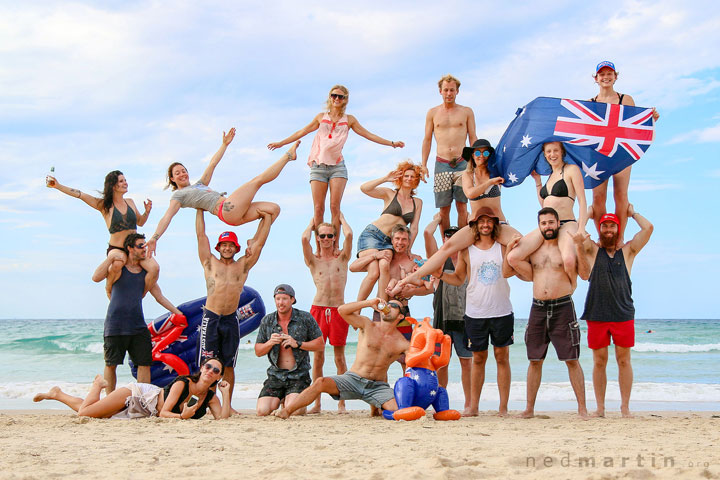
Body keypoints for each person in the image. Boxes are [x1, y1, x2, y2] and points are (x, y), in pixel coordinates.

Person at [267, 85, 404, 231]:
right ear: (330, 97)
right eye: (334, 95)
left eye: (340, 97)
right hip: (318, 166)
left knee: (334, 207)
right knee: (318, 208)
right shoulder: (321, 117)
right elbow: (303, 131)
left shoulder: (349, 120)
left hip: (337, 167)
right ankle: (320, 247)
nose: (336, 99)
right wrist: (281, 143)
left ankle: (335, 246)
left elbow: (368, 134)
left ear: (345, 100)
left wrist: (392, 144)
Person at [147, 128, 298, 255]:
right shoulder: (178, 195)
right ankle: (288, 156)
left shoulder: (200, 184)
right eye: (177, 173)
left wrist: (224, 145)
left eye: (183, 171)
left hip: (234, 215)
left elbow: (213, 164)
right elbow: (167, 217)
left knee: (274, 209)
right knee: (257, 181)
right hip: (226, 209)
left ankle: (254, 241)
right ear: (172, 179)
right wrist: (155, 238)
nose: (182, 174)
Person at [504, 207, 588, 419]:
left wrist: (579, 245)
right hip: (538, 307)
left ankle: (582, 409)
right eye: (544, 223)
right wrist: (509, 251)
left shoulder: (566, 248)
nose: (548, 227)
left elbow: (585, 274)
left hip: (563, 306)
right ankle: (529, 409)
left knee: (571, 359)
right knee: (534, 359)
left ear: (558, 223)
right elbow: (511, 269)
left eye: (551, 222)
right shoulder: (533, 251)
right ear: (539, 226)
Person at [573, 204, 653, 417]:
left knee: (624, 360)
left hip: (622, 314)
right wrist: (588, 214)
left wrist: (633, 213)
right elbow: (577, 233)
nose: (608, 230)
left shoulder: (628, 252)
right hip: (597, 314)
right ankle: (600, 408)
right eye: (605, 226)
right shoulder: (592, 250)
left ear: (618, 229)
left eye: (612, 226)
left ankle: (625, 407)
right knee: (599, 362)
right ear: (600, 229)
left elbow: (648, 228)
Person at [439, 207, 519, 416]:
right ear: (474, 225)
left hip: (502, 310)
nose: (485, 225)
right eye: (481, 221)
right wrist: (439, 274)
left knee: (502, 357)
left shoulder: (502, 247)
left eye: (489, 221)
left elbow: (512, 270)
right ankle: (473, 407)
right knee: (478, 359)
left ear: (494, 224)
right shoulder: (466, 250)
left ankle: (503, 408)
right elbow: (458, 278)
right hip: (475, 313)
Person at [276, 298, 410, 419]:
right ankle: (287, 411)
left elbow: (418, 359)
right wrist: (369, 303)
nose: (387, 306)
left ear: (400, 315)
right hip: (353, 379)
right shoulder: (367, 324)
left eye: (393, 305)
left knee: (397, 410)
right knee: (320, 382)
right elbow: (342, 310)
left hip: (377, 387)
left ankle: (375, 408)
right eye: (387, 304)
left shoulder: (402, 343)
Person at [195, 207, 273, 412]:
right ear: (219, 247)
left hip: (230, 319)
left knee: (228, 364)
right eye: (224, 245)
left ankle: (227, 406)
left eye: (231, 245)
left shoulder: (242, 266)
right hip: (211, 318)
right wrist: (199, 209)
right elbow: (201, 236)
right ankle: (206, 403)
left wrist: (265, 220)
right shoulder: (209, 262)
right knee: (207, 365)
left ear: (236, 248)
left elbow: (260, 244)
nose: (227, 248)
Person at [46, 170, 158, 295]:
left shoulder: (130, 202)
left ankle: (140, 296)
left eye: (125, 180)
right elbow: (80, 194)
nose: (125, 183)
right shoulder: (104, 205)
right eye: (121, 181)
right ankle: (108, 288)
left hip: (135, 249)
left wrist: (147, 211)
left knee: (154, 268)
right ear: (113, 186)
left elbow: (140, 222)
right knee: (118, 262)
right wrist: (58, 186)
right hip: (117, 248)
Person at [101, 233, 183, 394]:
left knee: (144, 363)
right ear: (130, 248)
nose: (144, 248)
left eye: (145, 245)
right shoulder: (118, 269)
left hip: (138, 326)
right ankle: (109, 400)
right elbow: (106, 287)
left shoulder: (146, 274)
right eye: (140, 245)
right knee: (111, 364)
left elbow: (159, 297)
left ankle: (143, 400)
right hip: (114, 325)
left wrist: (178, 313)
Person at [589, 61, 660, 243]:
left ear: (615, 77)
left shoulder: (625, 99)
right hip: (598, 154)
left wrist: (650, 120)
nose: (606, 77)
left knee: (620, 195)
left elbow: (635, 126)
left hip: (621, 152)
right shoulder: (589, 103)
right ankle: (603, 238)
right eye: (602, 74)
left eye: (609, 74)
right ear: (596, 78)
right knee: (598, 197)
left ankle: (619, 239)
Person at [33, 357, 231, 420]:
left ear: (219, 376)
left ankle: (57, 394)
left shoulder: (210, 396)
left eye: (216, 370)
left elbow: (221, 418)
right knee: (85, 414)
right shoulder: (184, 383)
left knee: (99, 413)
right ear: (201, 368)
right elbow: (163, 412)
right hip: (138, 396)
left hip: (144, 410)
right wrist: (181, 417)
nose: (210, 371)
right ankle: (98, 384)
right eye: (208, 366)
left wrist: (226, 393)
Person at [506, 141, 588, 286]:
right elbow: (545, 205)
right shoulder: (550, 176)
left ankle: (570, 287)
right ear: (544, 154)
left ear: (562, 152)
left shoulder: (571, 170)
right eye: (548, 152)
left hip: (566, 224)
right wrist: (538, 181)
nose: (552, 154)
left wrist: (581, 228)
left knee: (568, 260)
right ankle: (539, 281)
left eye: (555, 150)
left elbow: (582, 201)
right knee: (513, 257)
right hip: (547, 225)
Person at [301, 213, 353, 413]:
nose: (325, 240)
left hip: (339, 310)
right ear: (318, 238)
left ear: (334, 238)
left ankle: (342, 402)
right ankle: (317, 403)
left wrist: (341, 218)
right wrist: (312, 223)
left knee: (339, 359)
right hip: (319, 309)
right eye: (322, 236)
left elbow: (349, 236)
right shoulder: (313, 261)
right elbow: (304, 239)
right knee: (318, 358)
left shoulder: (343, 257)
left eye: (329, 236)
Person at [349, 161, 424, 301]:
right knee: (374, 272)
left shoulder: (417, 202)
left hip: (389, 241)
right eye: (406, 175)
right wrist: (385, 178)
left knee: (384, 265)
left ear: (416, 180)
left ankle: (382, 305)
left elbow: (414, 227)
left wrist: (409, 249)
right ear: (401, 178)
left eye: (412, 176)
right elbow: (364, 188)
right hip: (373, 235)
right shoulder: (390, 194)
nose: (409, 179)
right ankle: (357, 308)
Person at [423, 214, 471, 414]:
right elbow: (427, 233)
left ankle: (470, 404)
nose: (450, 239)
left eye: (455, 236)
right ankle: (440, 405)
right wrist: (438, 219)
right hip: (442, 319)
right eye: (447, 236)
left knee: (467, 363)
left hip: (466, 319)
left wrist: (469, 223)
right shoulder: (439, 262)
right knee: (441, 364)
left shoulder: (468, 259)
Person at [254, 284, 324, 416]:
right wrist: (270, 343)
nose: (281, 303)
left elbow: (320, 345)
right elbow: (258, 351)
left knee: (295, 411)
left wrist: (297, 343)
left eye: (284, 299)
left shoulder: (305, 318)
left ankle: (289, 399)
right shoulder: (267, 320)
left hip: (298, 375)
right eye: (278, 299)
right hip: (275, 375)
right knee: (262, 411)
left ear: (292, 299)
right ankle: (282, 398)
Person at [421, 74, 477, 233]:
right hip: (441, 163)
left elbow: (473, 137)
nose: (449, 93)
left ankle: (461, 245)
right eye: (445, 90)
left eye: (452, 90)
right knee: (444, 208)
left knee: (462, 205)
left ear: (457, 91)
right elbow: (427, 139)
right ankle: (446, 245)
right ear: (440, 91)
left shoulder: (466, 112)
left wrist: (476, 162)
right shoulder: (432, 113)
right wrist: (423, 164)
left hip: (462, 163)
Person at [460, 139, 508, 222]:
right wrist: (490, 182)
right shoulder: (468, 174)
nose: (481, 156)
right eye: (478, 153)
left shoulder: (497, 172)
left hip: (499, 222)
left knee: (519, 235)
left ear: (490, 156)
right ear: (473, 155)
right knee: (456, 236)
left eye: (486, 153)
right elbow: (470, 194)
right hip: (475, 224)